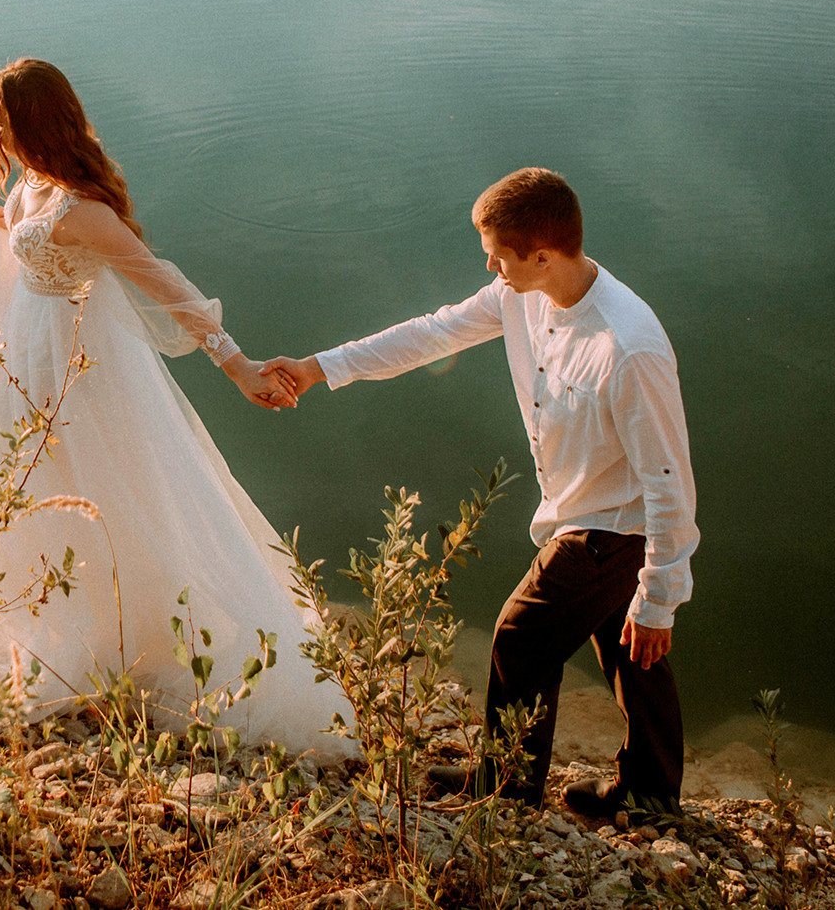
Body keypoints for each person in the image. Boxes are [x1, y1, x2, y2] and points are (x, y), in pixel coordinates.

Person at [0, 58, 354, 758]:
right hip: (24, 348)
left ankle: (125, 631)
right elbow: (28, 243)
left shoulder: (84, 212)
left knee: (100, 486)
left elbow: (165, 283)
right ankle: (51, 617)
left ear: (36, 123)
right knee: (29, 483)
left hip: (75, 362)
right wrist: (0, 226)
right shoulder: (31, 183)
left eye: (4, 122)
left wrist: (237, 363)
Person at [262, 168, 698, 816]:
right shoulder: (520, 295)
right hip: (576, 510)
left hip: (615, 526)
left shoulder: (627, 347)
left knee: (521, 635)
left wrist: (661, 593)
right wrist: (317, 368)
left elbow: (668, 480)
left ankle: (509, 787)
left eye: (498, 254)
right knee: (630, 651)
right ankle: (651, 793)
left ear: (543, 255)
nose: (490, 265)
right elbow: (431, 333)